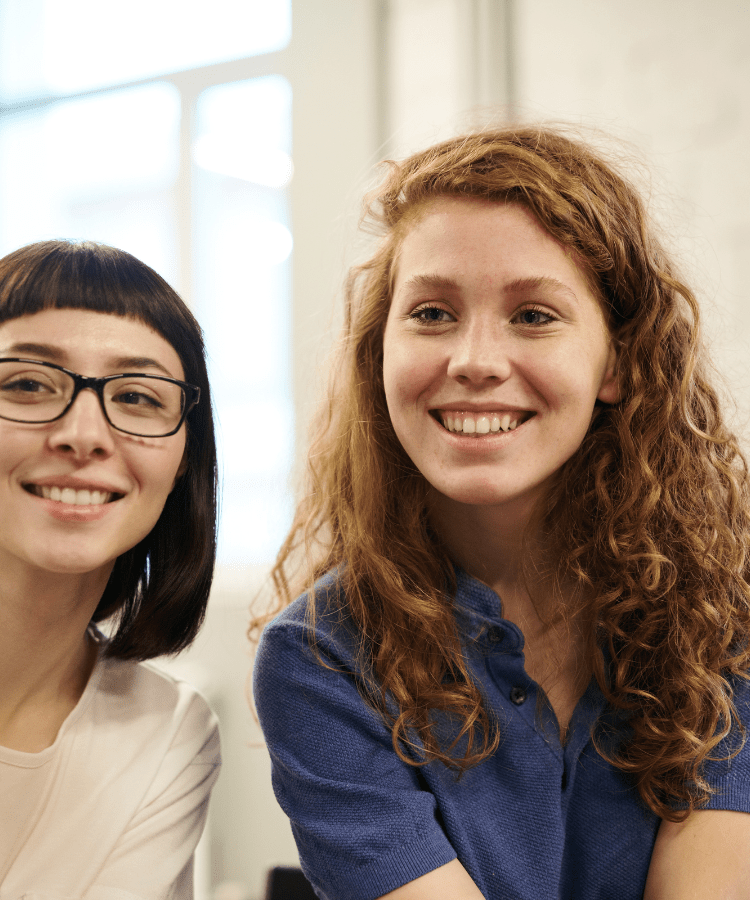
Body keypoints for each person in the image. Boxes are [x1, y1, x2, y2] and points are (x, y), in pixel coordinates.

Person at [252, 125, 750, 900]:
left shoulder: (726, 612)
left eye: (534, 316)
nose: (475, 361)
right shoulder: (321, 659)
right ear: (379, 353)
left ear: (617, 361)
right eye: (431, 313)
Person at [0, 240, 220, 898]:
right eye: (27, 385)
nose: (84, 435)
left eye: (138, 397)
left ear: (183, 462)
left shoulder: (166, 732)